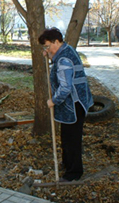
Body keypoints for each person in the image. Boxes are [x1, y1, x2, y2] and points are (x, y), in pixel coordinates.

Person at [38, 27, 93, 182]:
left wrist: (53, 100)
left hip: (74, 104)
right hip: (75, 103)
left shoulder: (64, 59)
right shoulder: (66, 50)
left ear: (57, 41)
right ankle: (67, 164)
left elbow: (66, 87)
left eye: (48, 46)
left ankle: (74, 173)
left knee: (72, 140)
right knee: (67, 137)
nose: (47, 49)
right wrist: (49, 55)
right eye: (45, 47)